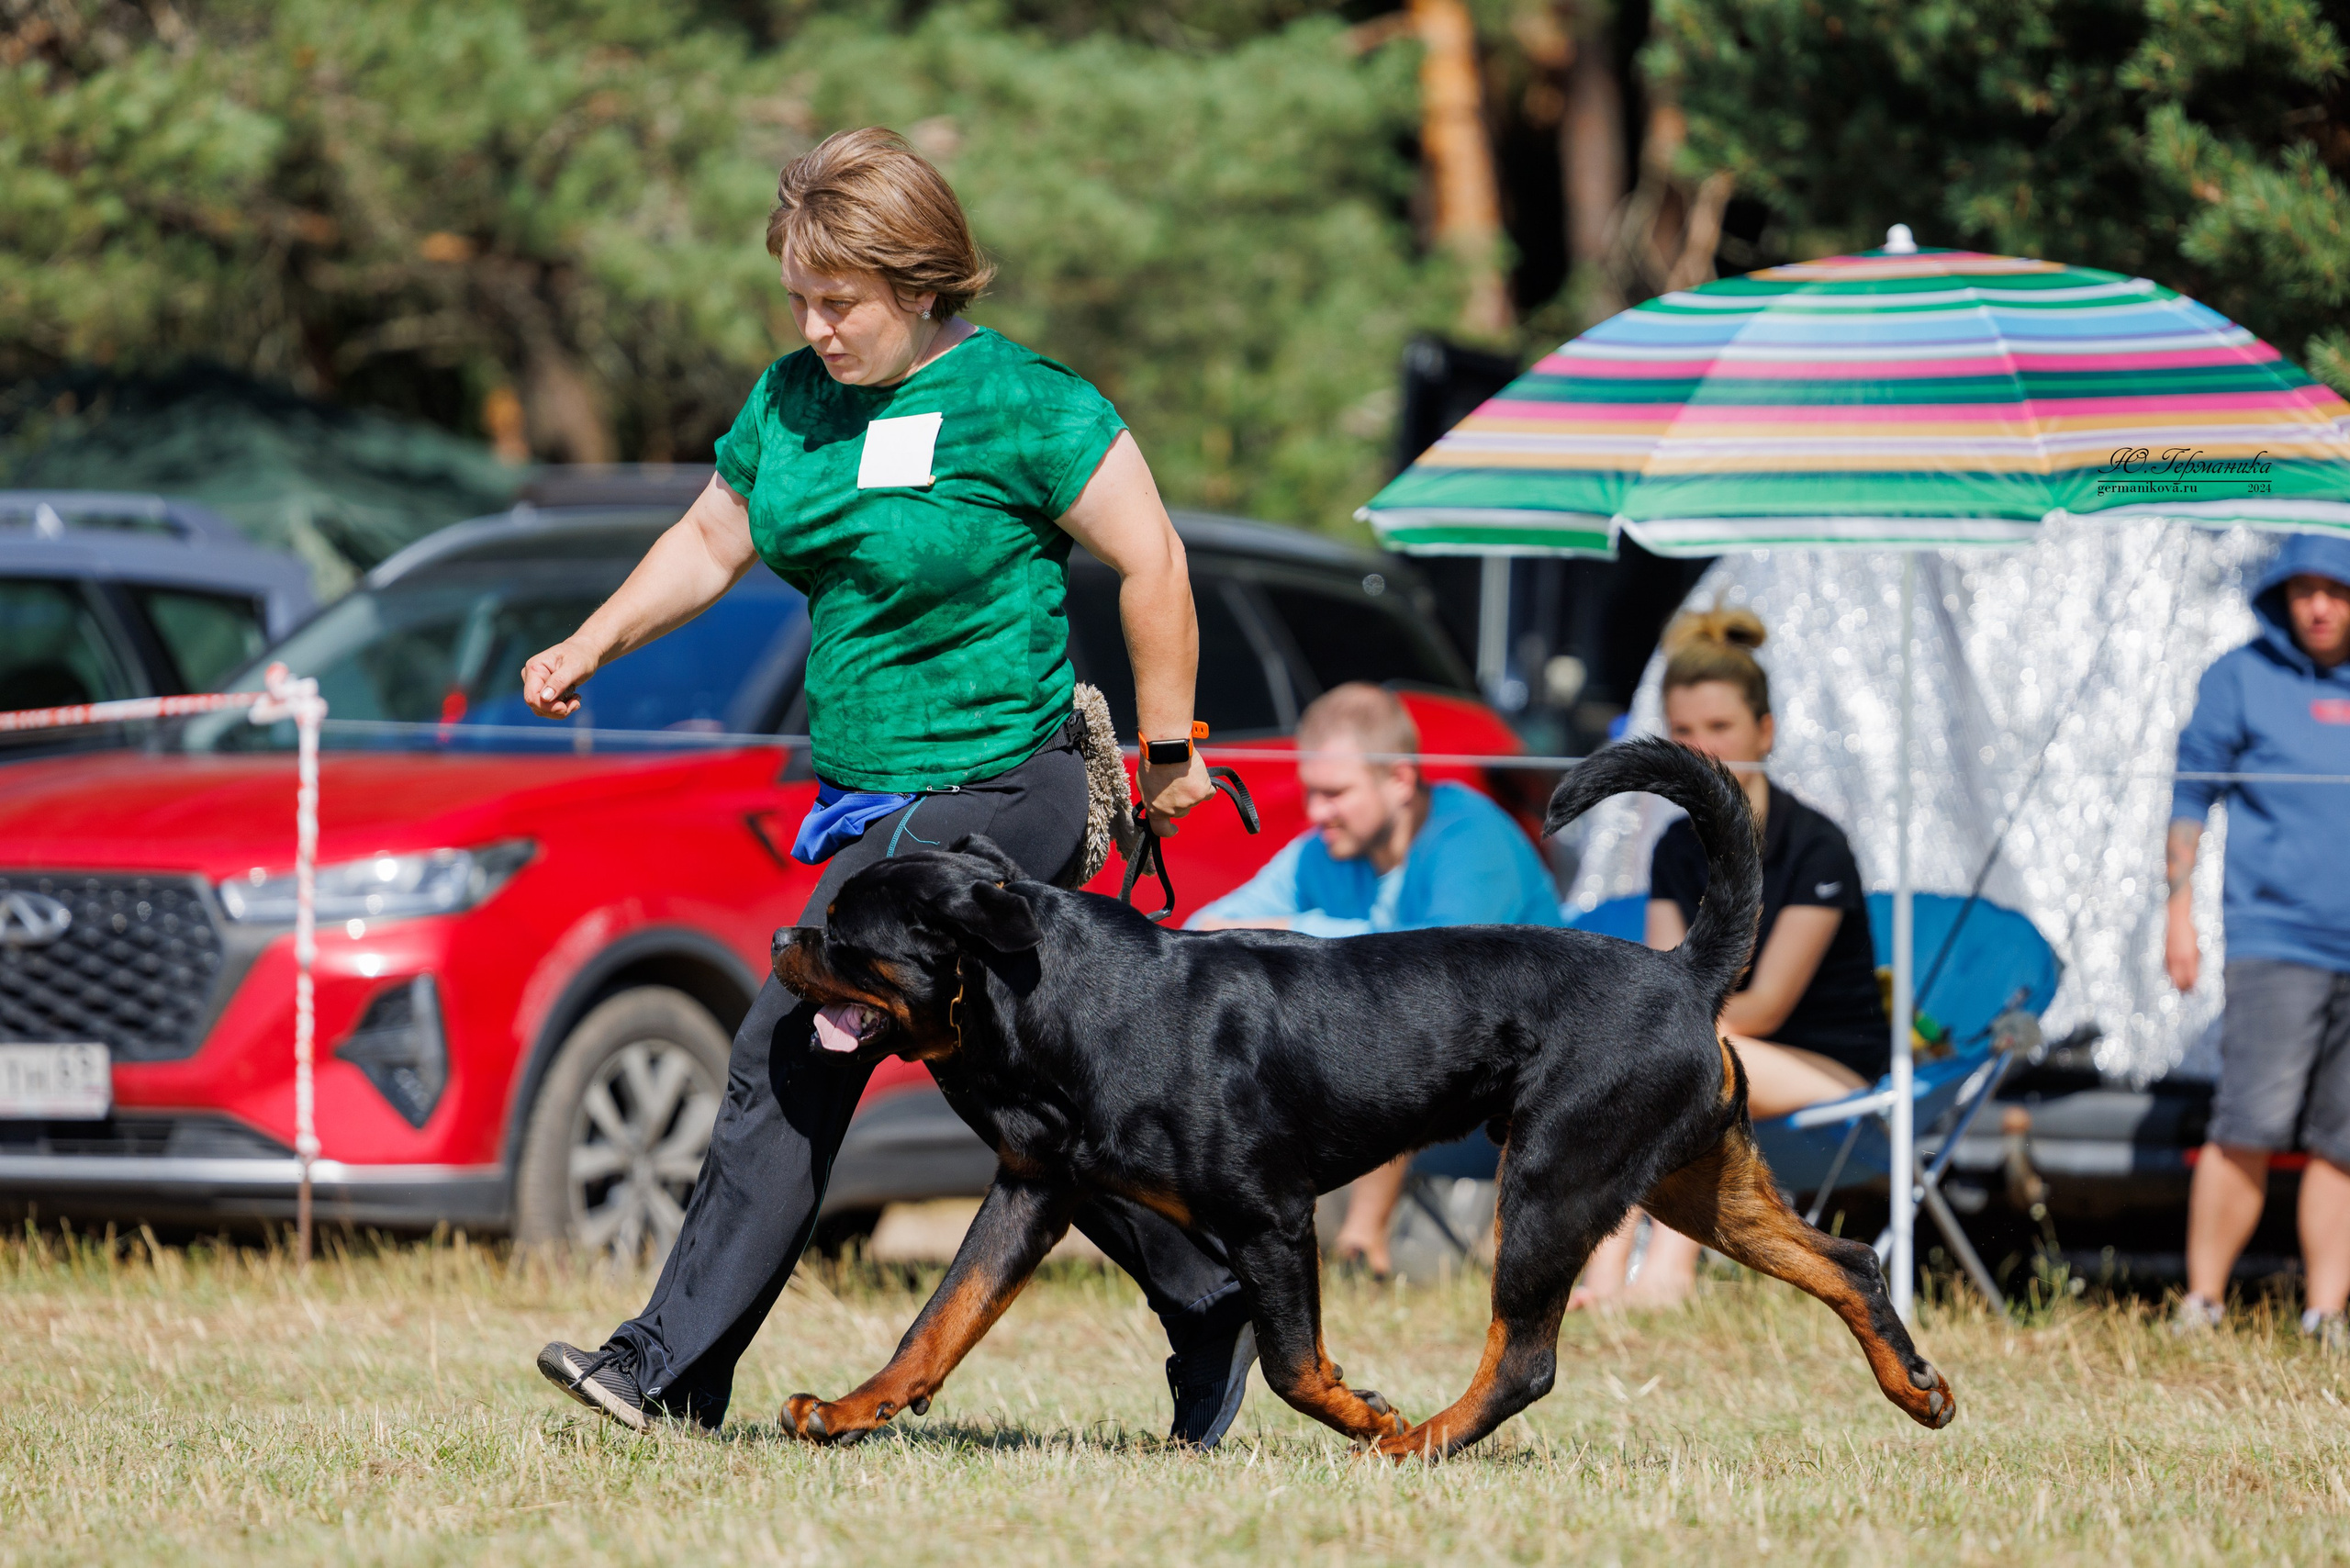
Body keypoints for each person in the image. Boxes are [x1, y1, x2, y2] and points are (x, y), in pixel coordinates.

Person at [521, 128, 1263, 1441]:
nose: (817, 327)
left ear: (925, 287)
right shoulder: (793, 403)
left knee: (793, 1040)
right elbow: (711, 537)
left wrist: (1167, 754)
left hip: (1004, 787)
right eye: (800, 298)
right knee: (1028, 1102)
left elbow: (1154, 561)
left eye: (843, 301)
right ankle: (1207, 1298)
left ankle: (664, 1370)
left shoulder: (1027, 405)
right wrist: (591, 639)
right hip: (874, 802)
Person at [1571, 607, 1888, 1310]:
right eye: (1682, 733)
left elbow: (1768, 1005)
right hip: (1724, 1047)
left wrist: (1665, 1033)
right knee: (1651, 1057)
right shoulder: (1675, 849)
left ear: (1764, 733)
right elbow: (1662, 987)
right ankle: (1600, 1278)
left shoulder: (1816, 847)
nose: (1701, 750)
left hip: (1827, 1066)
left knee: (1687, 1056)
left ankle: (1667, 1273)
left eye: (1720, 729)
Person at [1186, 681, 1561, 1276]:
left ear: (1401, 781)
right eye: (1310, 792)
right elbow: (1208, 928)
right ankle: (1216, 1251)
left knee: (1396, 1020)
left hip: (1531, 1063)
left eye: (1334, 793)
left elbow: (1439, 979)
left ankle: (1361, 1248)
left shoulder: (1471, 837)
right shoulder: (1323, 850)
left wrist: (1291, 929)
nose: (1315, 813)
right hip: (1412, 1070)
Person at [2167, 532, 2350, 1350]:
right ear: (2280, 594)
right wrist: (2179, 914)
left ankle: (2325, 1316)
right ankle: (2201, 1303)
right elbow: (2190, 792)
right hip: (2277, 940)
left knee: (2343, 1138)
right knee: (2249, 1121)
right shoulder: (2241, 677)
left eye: (2338, 589)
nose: (2320, 606)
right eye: (2304, 588)